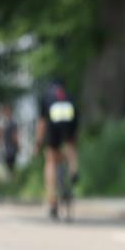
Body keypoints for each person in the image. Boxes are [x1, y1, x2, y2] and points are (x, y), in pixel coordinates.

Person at [35, 78, 79, 219]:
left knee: (50, 160)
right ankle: (73, 170)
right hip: (69, 123)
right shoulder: (69, 96)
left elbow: (42, 123)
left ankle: (52, 200)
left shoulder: (47, 97)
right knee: (70, 145)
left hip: (54, 126)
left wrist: (38, 143)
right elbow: (76, 120)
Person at [1, 103, 20, 176]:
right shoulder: (5, 122)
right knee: (8, 165)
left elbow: (15, 135)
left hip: (12, 147)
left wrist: (18, 145)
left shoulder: (13, 122)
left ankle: (13, 178)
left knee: (11, 165)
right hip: (6, 147)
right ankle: (12, 178)